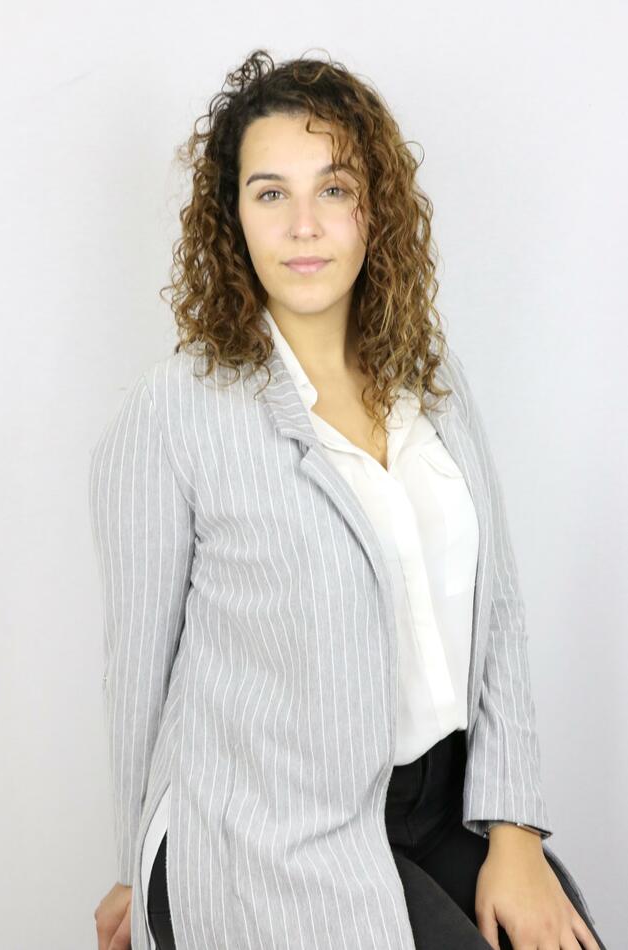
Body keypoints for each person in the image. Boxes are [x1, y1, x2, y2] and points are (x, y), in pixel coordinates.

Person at [90, 48, 606, 950]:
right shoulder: (172, 412)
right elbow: (138, 670)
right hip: (263, 829)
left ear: (375, 207)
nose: (303, 226)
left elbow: (499, 612)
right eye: (269, 193)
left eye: (332, 188)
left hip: (443, 801)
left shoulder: (432, 381)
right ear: (231, 218)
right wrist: (139, 866)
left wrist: (514, 830)